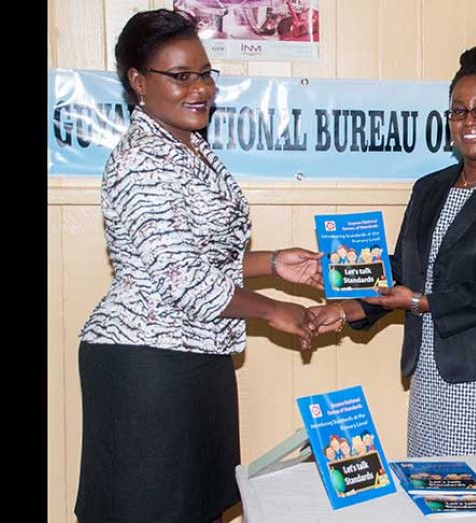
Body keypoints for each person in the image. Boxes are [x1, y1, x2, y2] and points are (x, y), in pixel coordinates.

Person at [75, 9, 322, 523]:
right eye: (181, 76)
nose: (201, 89)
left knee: (202, 508)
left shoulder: (189, 147)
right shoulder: (142, 158)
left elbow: (205, 259)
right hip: (147, 363)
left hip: (198, 352)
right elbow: (185, 279)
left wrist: (275, 263)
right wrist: (275, 311)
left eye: (206, 74)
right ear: (139, 81)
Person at [310, 42, 476, 457]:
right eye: (459, 110)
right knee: (434, 493)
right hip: (432, 374)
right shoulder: (429, 189)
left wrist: (423, 302)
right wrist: (344, 303)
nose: (469, 121)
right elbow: (403, 270)